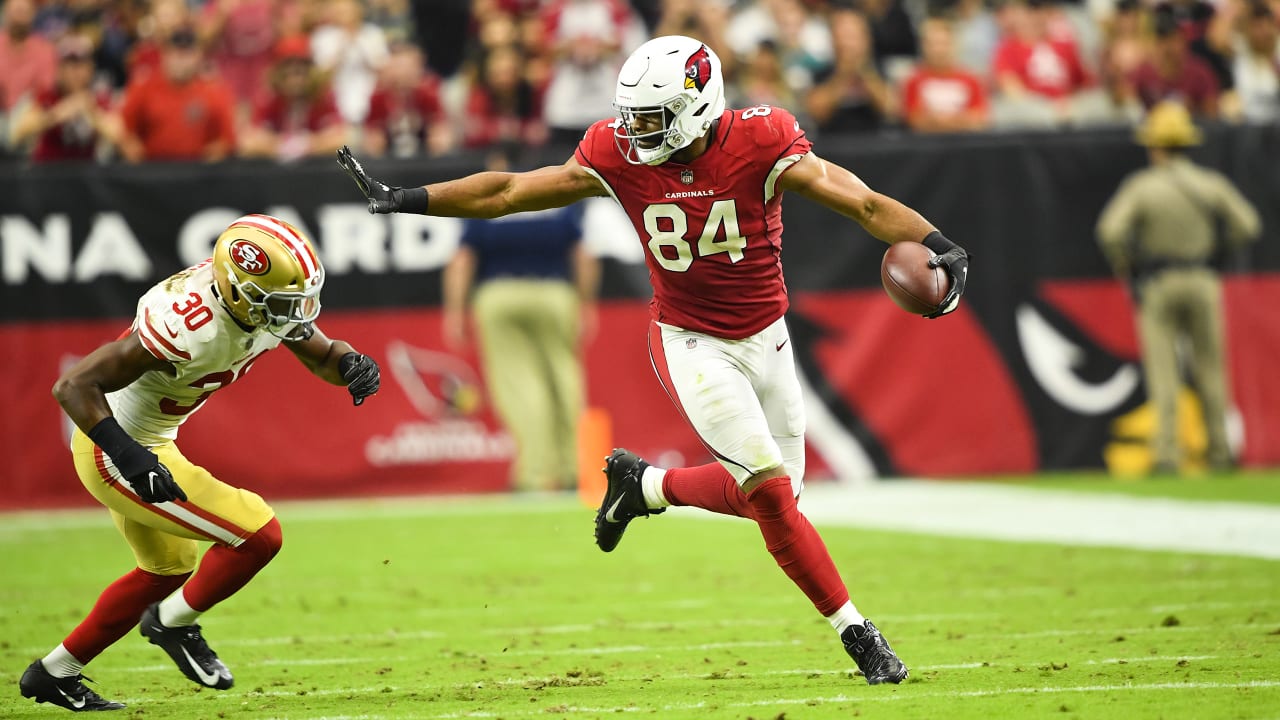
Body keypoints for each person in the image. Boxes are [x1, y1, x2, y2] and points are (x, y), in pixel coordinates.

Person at [337, 35, 969, 685]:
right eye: (632, 116)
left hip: (767, 337)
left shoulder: (761, 140)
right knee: (774, 499)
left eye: (652, 117)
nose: (635, 131)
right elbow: (508, 192)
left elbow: (861, 202)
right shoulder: (618, 151)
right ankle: (858, 634)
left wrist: (933, 240)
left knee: (774, 499)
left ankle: (645, 486)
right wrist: (410, 198)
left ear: (698, 106)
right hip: (691, 339)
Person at [18, 215, 381, 712]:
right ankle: (170, 623)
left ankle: (53, 673)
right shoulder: (190, 326)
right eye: (281, 304)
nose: (295, 315)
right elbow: (74, 385)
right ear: (239, 295)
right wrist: (129, 454)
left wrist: (350, 364)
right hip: (115, 449)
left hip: (152, 442)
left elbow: (321, 355)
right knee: (258, 535)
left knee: (166, 569)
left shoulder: (256, 304)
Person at [1096, 101, 1260, 474]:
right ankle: (1220, 451)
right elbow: (1248, 225)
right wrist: (1218, 252)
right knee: (1211, 369)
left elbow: (1110, 231)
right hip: (1203, 280)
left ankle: (1168, 454)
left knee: (1163, 371)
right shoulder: (1209, 183)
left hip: (1159, 282)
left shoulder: (1143, 186)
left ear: (1155, 146)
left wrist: (1127, 263)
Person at [442, 152, 599, 492]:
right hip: (555, 295)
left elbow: (462, 259)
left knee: (519, 385)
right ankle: (574, 468)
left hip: (500, 296)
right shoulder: (554, 197)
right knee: (564, 379)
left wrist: (456, 312)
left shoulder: (487, 202)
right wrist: (586, 305)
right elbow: (583, 256)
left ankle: (536, 474)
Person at [118, 27, 237, 162]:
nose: (180, 61)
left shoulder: (213, 91)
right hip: (153, 169)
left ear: (198, 56)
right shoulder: (144, 87)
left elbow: (227, 139)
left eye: (187, 54)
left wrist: (214, 157)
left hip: (196, 171)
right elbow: (126, 129)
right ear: (164, 55)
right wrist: (132, 149)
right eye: (176, 53)